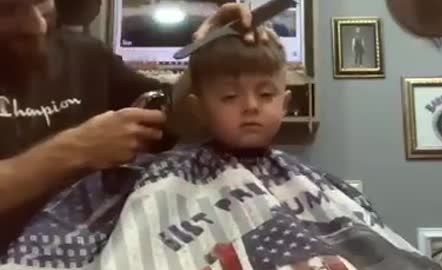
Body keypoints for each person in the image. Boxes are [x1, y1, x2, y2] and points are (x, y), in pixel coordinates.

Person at [95, 29, 442, 269]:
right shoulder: (166, 177)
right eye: (230, 96)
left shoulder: (318, 182)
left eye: (265, 95)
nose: (250, 106)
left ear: (285, 102)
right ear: (198, 108)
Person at [0, 0, 272, 265]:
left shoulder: (85, 54)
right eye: (9, 10)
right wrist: (77, 149)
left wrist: (206, 53)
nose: (36, 25)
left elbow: (169, 118)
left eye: (40, 3)